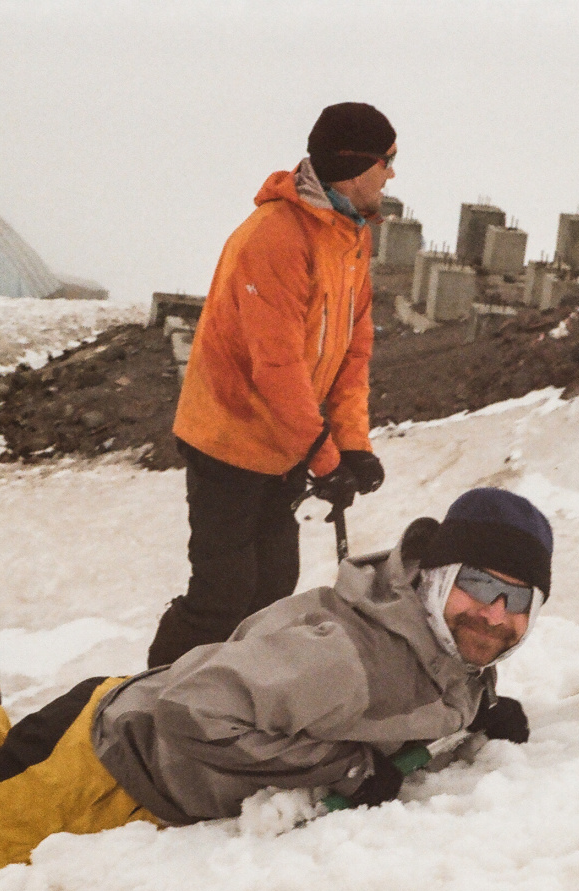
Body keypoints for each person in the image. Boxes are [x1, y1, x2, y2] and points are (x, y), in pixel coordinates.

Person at [0, 489, 550, 891]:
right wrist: (342, 763)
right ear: (438, 577)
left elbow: (447, 679)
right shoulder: (346, 658)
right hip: (104, 770)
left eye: (520, 601)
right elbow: (189, 712)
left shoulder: (443, 644)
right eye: (480, 585)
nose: (496, 615)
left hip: (100, 737)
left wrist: (482, 711)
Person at [147, 103, 398, 667]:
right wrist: (325, 456)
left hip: (283, 444)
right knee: (222, 594)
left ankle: (224, 698)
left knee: (271, 591)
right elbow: (276, 365)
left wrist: (352, 442)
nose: (392, 174)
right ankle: (143, 702)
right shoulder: (276, 237)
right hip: (229, 437)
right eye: (388, 160)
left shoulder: (350, 239)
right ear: (356, 166)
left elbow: (353, 351)